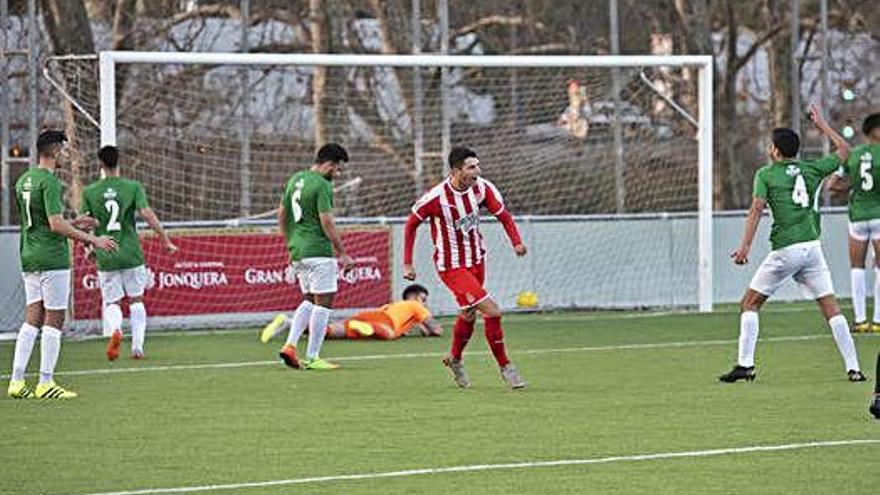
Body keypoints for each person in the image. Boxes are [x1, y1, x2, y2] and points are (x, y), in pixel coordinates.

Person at [720, 104, 865, 383]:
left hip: (786, 249)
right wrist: (821, 124)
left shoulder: (766, 174)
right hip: (812, 248)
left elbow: (756, 210)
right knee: (831, 309)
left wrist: (745, 248)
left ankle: (745, 365)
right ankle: (854, 368)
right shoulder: (812, 168)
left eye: (770, 145)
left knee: (749, 304)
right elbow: (846, 151)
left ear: (775, 150)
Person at [403, 146, 528, 389]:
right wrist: (407, 263)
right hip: (452, 267)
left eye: (478, 166)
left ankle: (455, 359)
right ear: (456, 170)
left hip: (477, 261)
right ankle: (506, 366)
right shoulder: (436, 198)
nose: (477, 171)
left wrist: (517, 242)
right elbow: (410, 225)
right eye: (471, 167)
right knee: (492, 311)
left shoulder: (482, 187)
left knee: (468, 314)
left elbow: (504, 216)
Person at [7, 130, 117, 399]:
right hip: (52, 257)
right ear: (55, 150)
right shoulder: (50, 182)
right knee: (54, 319)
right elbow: (55, 225)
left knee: (32, 318)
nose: (67, 155)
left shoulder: (24, 180)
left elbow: (41, 221)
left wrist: (76, 223)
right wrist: (93, 238)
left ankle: (16, 381)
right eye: (65, 150)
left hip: (29, 255)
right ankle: (46, 383)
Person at [80, 145, 178, 361]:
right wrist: (165, 240)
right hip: (131, 252)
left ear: (100, 165)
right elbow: (147, 214)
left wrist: (89, 248)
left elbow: (85, 224)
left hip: (106, 252)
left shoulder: (89, 192)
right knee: (136, 299)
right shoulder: (132, 187)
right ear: (119, 162)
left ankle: (116, 330)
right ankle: (137, 347)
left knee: (112, 302)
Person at [275, 143, 354, 370]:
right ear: (328, 164)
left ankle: (290, 346)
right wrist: (342, 253)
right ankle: (312, 357)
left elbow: (282, 213)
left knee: (309, 299)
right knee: (324, 302)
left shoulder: (296, 179)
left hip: (298, 250)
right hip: (318, 250)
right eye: (337, 169)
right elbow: (327, 221)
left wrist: (289, 243)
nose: (337, 175)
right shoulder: (322, 184)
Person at [827, 113, 880, 333]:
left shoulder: (853, 154)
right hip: (879, 215)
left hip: (857, 216)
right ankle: (878, 320)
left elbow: (832, 184)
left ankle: (860, 320)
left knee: (856, 267)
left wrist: (850, 188)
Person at [260, 284, 443, 342]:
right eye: (423, 298)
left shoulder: (392, 305)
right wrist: (429, 328)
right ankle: (370, 330)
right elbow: (435, 329)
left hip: (367, 316)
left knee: (328, 332)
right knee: (389, 334)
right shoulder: (416, 306)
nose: (424, 303)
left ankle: (288, 322)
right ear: (416, 296)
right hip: (382, 323)